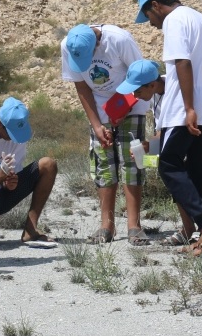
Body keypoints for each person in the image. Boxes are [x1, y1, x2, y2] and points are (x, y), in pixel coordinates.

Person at [134, 0, 202, 257]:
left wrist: (188, 108)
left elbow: (182, 62)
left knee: (169, 164)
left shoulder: (175, 20)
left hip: (185, 107)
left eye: (148, 16)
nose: (151, 23)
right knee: (199, 168)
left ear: (156, 5)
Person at [60, 23, 151, 245]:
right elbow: (82, 88)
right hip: (100, 110)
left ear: (96, 44)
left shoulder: (119, 40)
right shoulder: (67, 46)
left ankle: (134, 226)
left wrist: (122, 110)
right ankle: (106, 225)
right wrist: (97, 125)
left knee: (133, 161)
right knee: (104, 164)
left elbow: (140, 77)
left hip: (132, 102)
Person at [0, 97, 59, 249]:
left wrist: (10, 184)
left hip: (2, 193)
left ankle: (31, 230)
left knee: (48, 164)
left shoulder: (17, 139)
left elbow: (14, 173)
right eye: (11, 132)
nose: (14, 138)